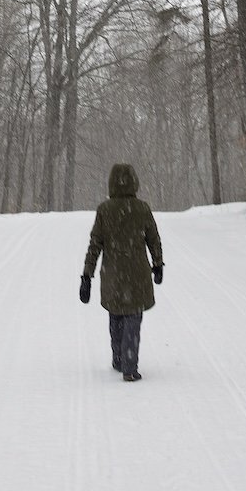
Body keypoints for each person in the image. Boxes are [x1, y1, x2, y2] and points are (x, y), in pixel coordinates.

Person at [79, 163, 164, 382]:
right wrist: (158, 264)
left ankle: (118, 358)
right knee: (133, 319)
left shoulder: (104, 210)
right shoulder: (142, 209)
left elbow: (95, 244)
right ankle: (129, 366)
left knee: (116, 316)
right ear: (135, 181)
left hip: (113, 276)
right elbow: (153, 239)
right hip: (137, 276)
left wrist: (87, 275)